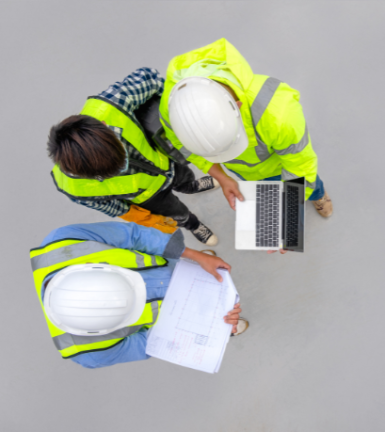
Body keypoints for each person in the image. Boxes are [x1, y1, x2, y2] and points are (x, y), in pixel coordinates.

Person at [157, 39, 333, 247]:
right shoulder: (175, 110)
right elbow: (188, 148)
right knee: (265, 187)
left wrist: (289, 214)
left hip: (281, 164)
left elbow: (299, 165)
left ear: (238, 107)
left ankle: (318, 196)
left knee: (312, 183)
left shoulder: (279, 113)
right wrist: (222, 177)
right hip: (246, 172)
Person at [30, 222, 248, 369]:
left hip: (166, 263)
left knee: (189, 262)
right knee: (222, 318)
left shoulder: (64, 242)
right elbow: (155, 342)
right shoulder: (90, 353)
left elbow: (134, 236)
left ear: (90, 266)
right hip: (174, 315)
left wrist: (191, 254)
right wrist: (209, 325)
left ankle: (187, 263)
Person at [47, 68, 220, 246]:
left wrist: (171, 110)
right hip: (149, 196)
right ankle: (193, 224)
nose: (124, 166)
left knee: (185, 176)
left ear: (105, 125)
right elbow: (115, 207)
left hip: (166, 161)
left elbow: (149, 78)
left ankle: (191, 186)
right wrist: (146, 219)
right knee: (178, 213)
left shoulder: (111, 105)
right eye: (115, 171)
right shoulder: (75, 189)